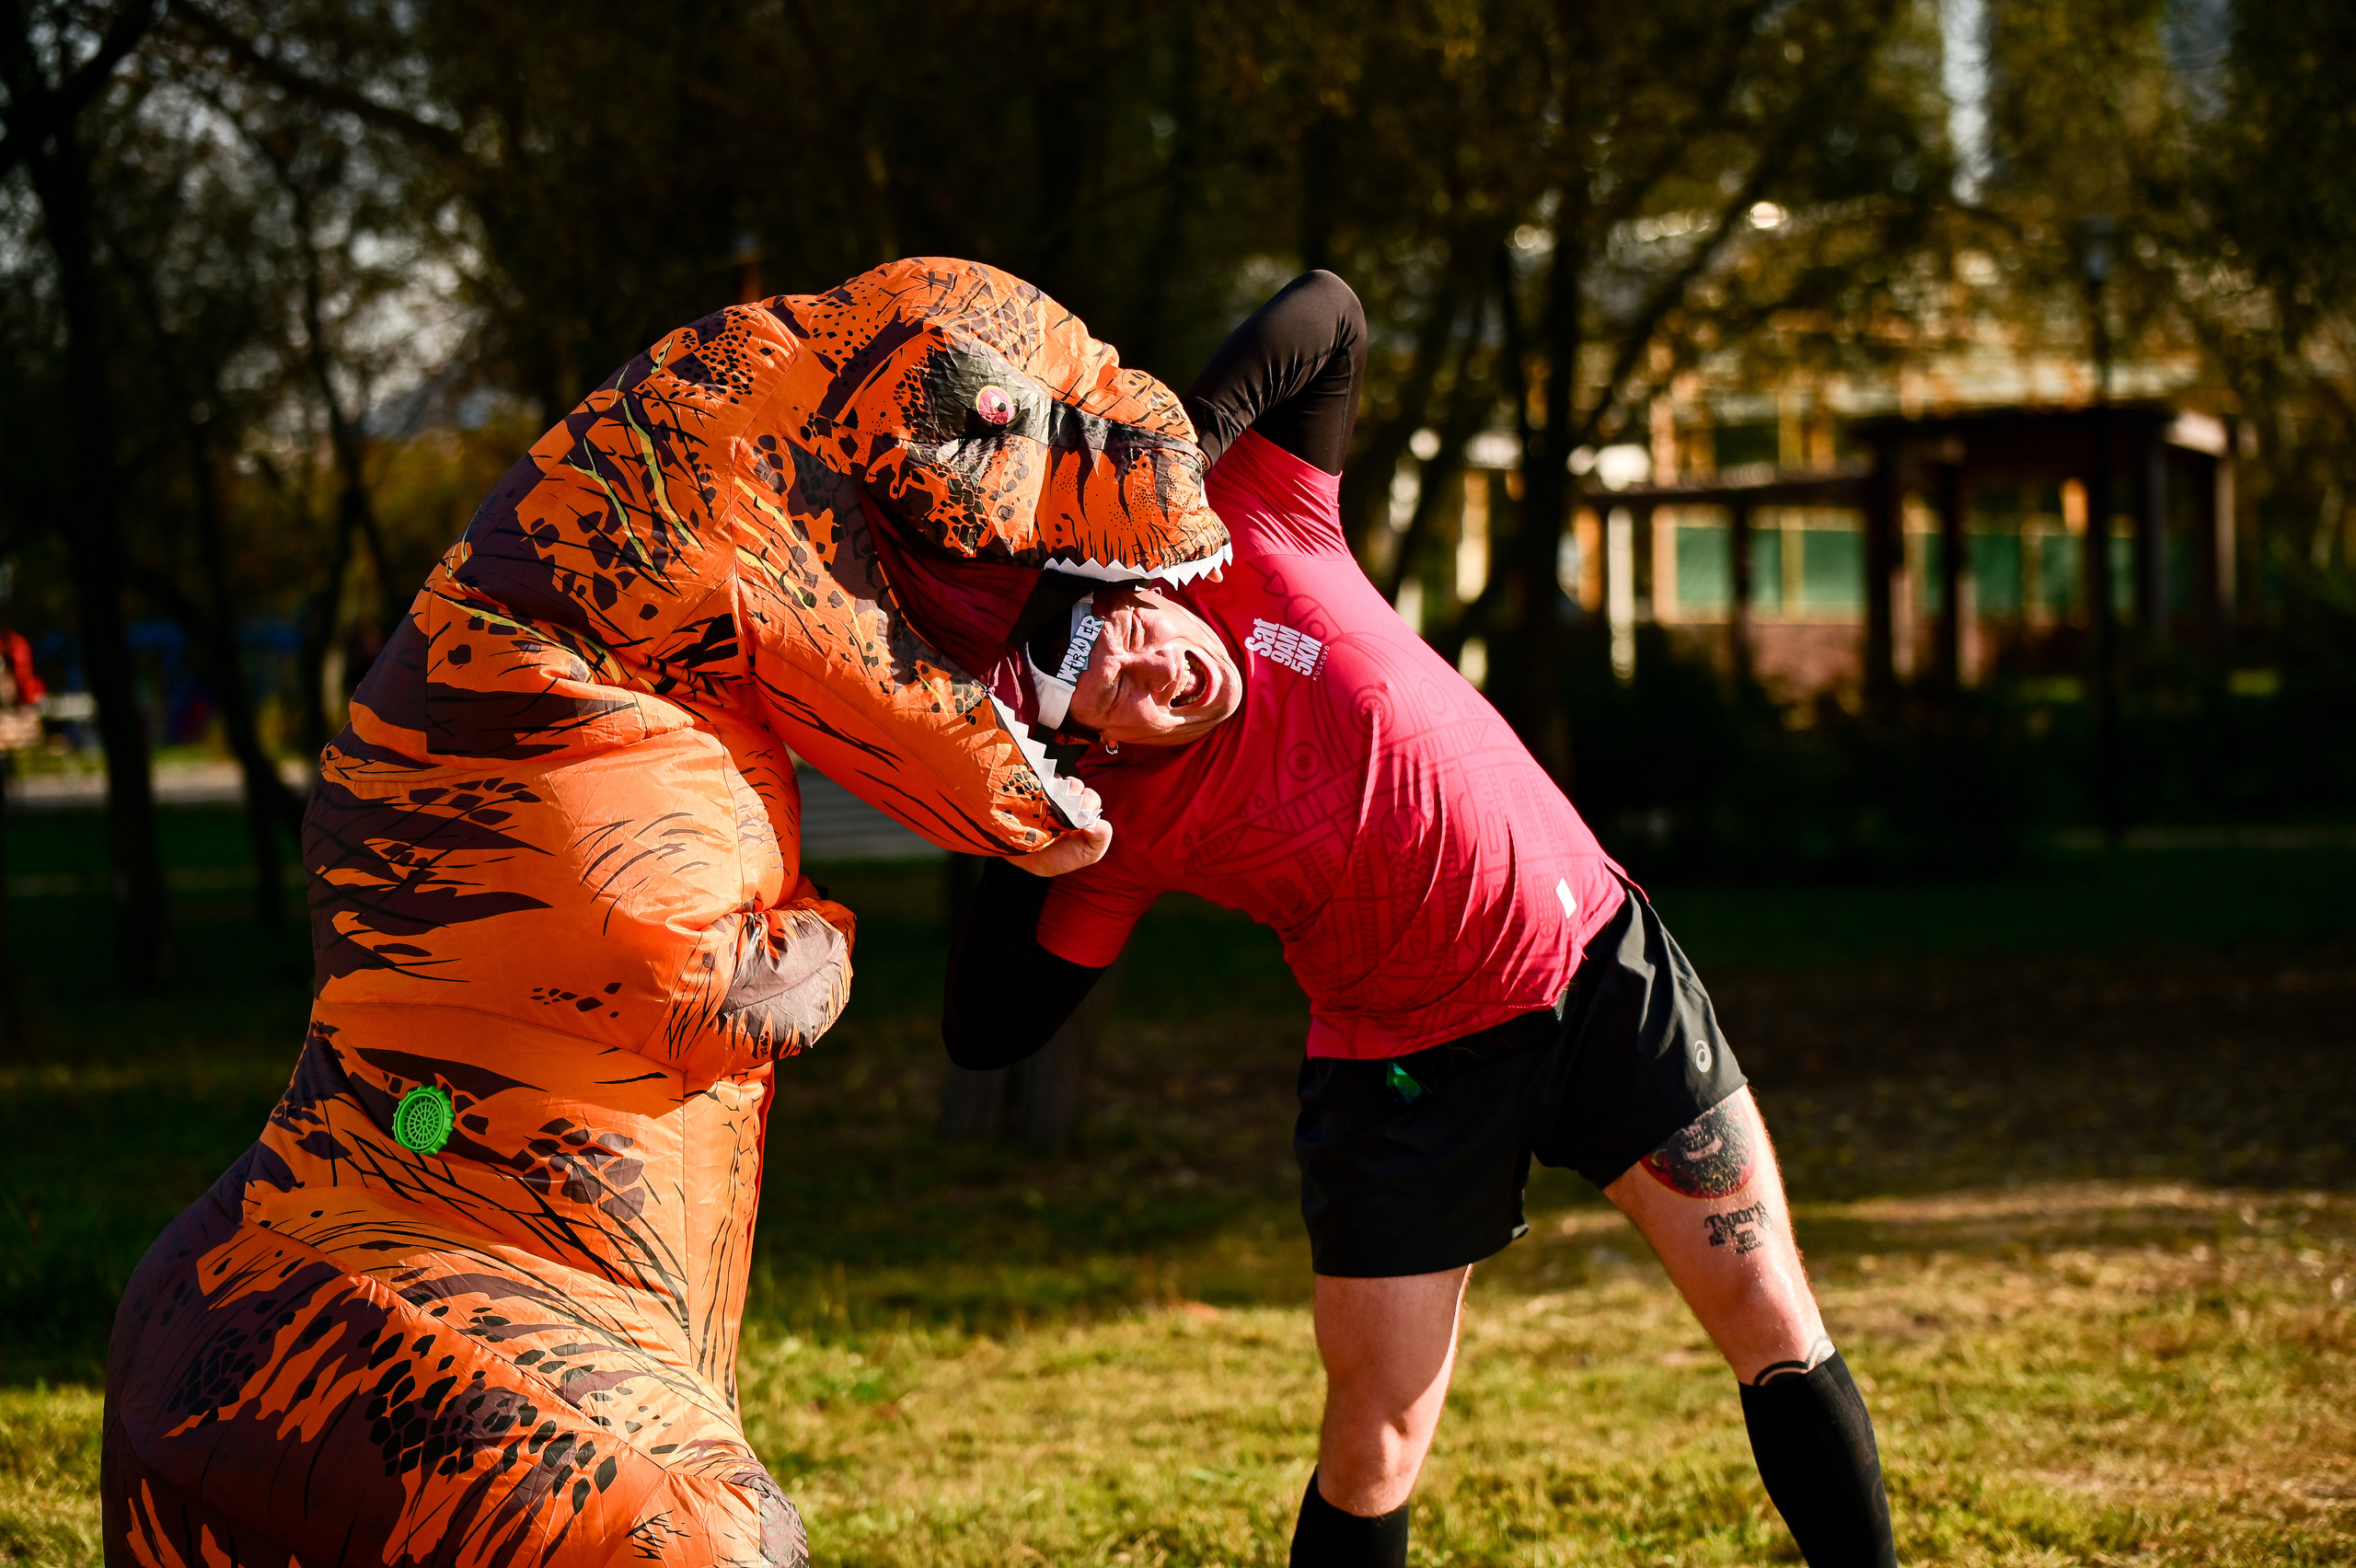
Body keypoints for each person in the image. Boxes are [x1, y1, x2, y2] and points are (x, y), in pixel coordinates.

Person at [942, 271, 1899, 1568]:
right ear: (1092, 743)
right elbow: (988, 1028)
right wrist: (1019, 814)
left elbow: (1326, 313)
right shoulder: (1114, 829)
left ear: (1149, 583)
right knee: (1375, 1441)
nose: (1157, 674)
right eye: (1112, 696)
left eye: (1134, 632)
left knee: (1774, 1317)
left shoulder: (1253, 526)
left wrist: (1163, 467)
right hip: (1405, 1075)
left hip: (1597, 969)